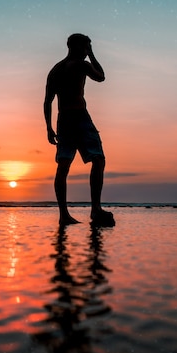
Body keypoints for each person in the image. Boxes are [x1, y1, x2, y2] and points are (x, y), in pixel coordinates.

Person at [44, 34, 115, 226]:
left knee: (64, 165)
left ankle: (63, 214)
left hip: (63, 119)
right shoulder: (81, 65)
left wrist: (49, 127)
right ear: (76, 47)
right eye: (85, 47)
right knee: (98, 160)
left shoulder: (55, 70)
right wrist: (92, 55)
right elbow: (101, 76)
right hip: (80, 118)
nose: (86, 51)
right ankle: (95, 209)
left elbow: (48, 101)